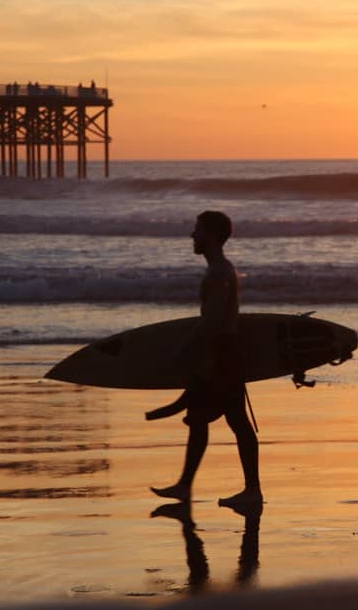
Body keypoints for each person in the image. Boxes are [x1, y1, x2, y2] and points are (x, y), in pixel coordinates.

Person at [150, 211, 262, 508]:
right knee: (201, 419)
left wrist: (183, 350)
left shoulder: (218, 273)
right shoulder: (222, 269)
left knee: (236, 421)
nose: (192, 236)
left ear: (211, 235)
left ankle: (252, 490)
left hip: (222, 355)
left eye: (197, 230)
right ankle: (186, 486)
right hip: (221, 354)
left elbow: (211, 322)